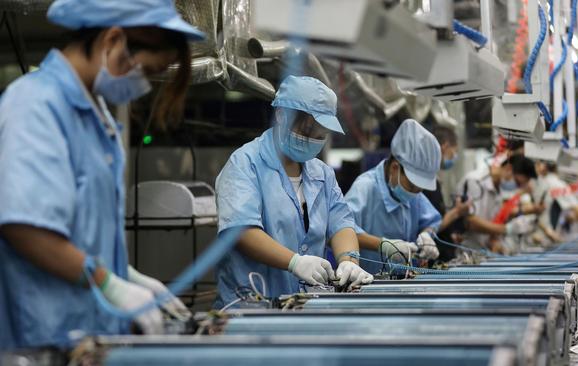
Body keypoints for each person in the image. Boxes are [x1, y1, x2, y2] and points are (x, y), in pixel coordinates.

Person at [0, 0, 204, 350]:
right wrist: (108, 283)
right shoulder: (35, 104)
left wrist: (128, 276)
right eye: (146, 71)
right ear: (112, 41)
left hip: (92, 336)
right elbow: (24, 227)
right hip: (44, 337)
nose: (143, 86)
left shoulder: (101, 119)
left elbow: (87, 235)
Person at [214, 76, 373, 308]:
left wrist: (349, 261)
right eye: (308, 130)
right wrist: (294, 262)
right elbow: (241, 231)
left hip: (304, 306)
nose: (314, 140)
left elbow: (341, 224)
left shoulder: (322, 174)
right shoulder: (245, 164)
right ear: (282, 116)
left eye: (321, 135)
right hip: (251, 308)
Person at [345, 119, 444, 274]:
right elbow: (341, 231)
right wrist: (383, 245)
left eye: (420, 189)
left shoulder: (414, 195)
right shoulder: (365, 188)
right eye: (412, 186)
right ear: (394, 168)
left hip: (405, 281)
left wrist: (427, 235)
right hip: (366, 286)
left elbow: (431, 220)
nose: (415, 193)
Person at [458, 155, 539, 253]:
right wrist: (506, 229)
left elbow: (493, 222)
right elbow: (471, 222)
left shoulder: (499, 190)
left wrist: (496, 242)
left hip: (482, 252)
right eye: (517, 182)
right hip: (465, 250)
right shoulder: (476, 181)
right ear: (508, 168)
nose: (516, 187)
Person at [423, 125, 471, 262]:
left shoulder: (434, 180)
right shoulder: (427, 183)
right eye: (453, 152)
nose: (454, 158)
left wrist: (450, 235)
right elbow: (430, 226)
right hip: (432, 257)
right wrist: (457, 212)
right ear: (444, 146)